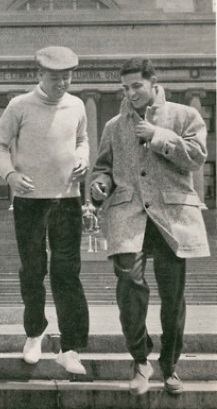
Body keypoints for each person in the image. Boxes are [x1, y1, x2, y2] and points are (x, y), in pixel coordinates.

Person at [90, 57, 209, 395]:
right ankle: (140, 359)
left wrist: (157, 135)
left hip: (172, 219)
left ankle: (170, 366)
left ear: (153, 82)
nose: (130, 93)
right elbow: (104, 168)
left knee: (173, 298)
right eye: (125, 88)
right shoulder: (114, 125)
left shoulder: (186, 115)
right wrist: (99, 186)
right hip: (129, 217)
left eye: (136, 86)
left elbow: (197, 156)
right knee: (129, 284)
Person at [0, 46, 90, 374]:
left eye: (67, 77)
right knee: (33, 271)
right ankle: (35, 332)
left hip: (67, 200)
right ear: (40, 75)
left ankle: (72, 346)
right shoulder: (19, 106)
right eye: (55, 77)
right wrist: (10, 174)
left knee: (67, 273)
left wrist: (83, 157)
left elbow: (82, 139)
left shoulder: (76, 105)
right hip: (30, 202)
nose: (62, 83)